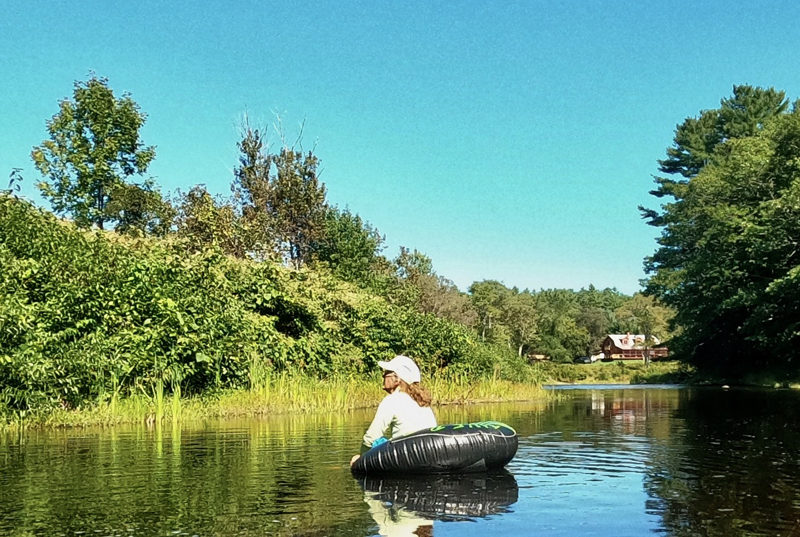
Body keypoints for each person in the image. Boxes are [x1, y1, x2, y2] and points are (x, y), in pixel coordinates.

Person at [350, 355, 436, 466]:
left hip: (407, 460)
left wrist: (361, 458)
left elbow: (371, 438)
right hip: (429, 456)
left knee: (356, 459)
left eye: (386, 374)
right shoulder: (421, 401)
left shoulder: (392, 400)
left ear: (396, 379)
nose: (383, 376)